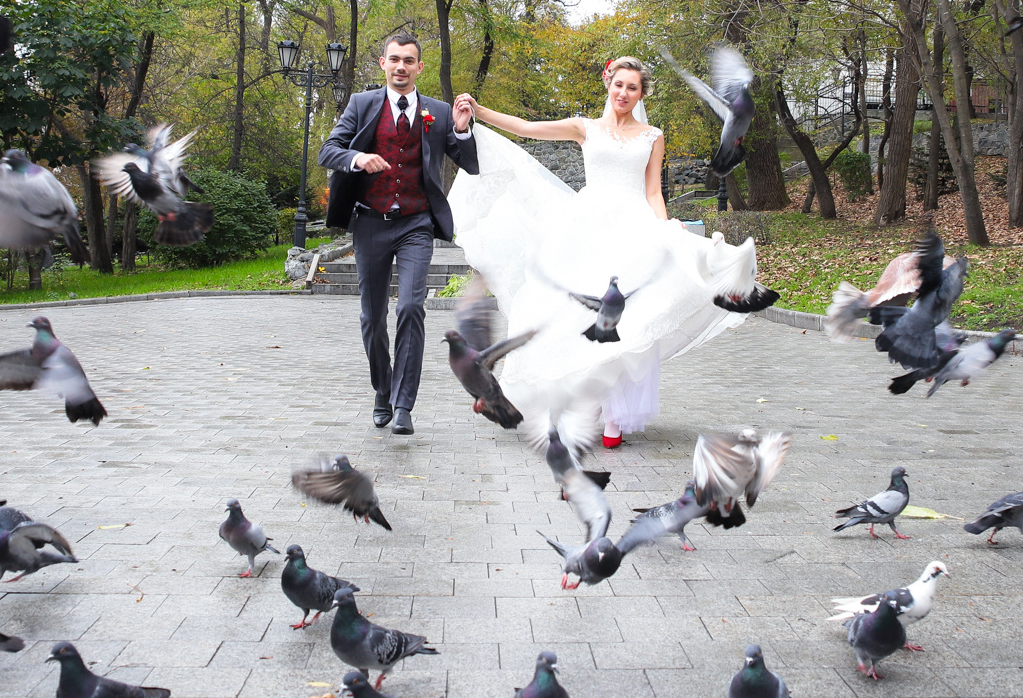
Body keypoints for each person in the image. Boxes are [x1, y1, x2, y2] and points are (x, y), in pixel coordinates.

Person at [449, 55, 774, 447]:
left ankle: (612, 417)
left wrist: (662, 229)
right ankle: (582, 407)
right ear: (609, 84)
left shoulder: (653, 135)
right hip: (585, 229)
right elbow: (527, 128)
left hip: (633, 229)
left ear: (641, 93)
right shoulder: (585, 128)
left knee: (628, 320)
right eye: (619, 84)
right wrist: (480, 110)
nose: (624, 93)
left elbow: (653, 190)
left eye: (632, 87)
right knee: (573, 316)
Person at [318, 33, 479, 435]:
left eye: (409, 60)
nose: (401, 67)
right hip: (370, 222)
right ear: (383, 63)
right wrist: (357, 157)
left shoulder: (439, 113)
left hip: (416, 223)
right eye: (394, 59)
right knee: (373, 317)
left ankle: (403, 404)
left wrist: (460, 131)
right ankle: (382, 390)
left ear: (420, 67)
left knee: (410, 307)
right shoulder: (362, 104)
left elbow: (470, 164)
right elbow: (328, 150)